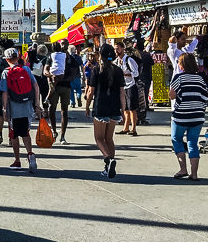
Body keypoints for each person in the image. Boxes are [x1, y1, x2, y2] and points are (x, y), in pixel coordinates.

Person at [85, 43, 126, 179]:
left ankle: (108, 159)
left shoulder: (97, 70)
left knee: (99, 138)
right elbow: (122, 93)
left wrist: (87, 106)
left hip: (101, 106)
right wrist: (123, 110)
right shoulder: (118, 71)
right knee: (109, 138)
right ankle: (108, 167)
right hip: (114, 107)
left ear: (100, 56)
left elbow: (91, 91)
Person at [0, 47, 43, 172]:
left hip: (14, 107)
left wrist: (4, 108)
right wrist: (37, 104)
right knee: (25, 132)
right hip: (27, 105)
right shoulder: (26, 69)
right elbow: (35, 86)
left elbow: (5, 93)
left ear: (7, 59)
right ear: (18, 57)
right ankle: (30, 154)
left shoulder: (6, 72)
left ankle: (17, 160)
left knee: (13, 134)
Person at [169, 53, 208, 180]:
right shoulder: (200, 79)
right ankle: (194, 174)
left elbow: (171, 95)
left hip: (181, 116)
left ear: (182, 65)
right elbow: (205, 97)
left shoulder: (179, 78)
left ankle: (183, 169)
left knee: (176, 139)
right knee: (193, 142)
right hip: (198, 116)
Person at [45, 39, 77, 144]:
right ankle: (54, 131)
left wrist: (61, 78)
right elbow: (45, 70)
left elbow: (73, 74)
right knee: (52, 109)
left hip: (65, 87)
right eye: (62, 44)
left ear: (68, 46)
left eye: (65, 44)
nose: (63, 46)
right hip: (54, 86)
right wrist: (52, 76)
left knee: (64, 111)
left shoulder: (70, 59)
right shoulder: (52, 56)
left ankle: (63, 135)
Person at [115, 40, 140, 136]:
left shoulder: (129, 60)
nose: (116, 51)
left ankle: (133, 129)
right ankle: (126, 127)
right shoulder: (117, 61)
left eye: (118, 49)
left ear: (123, 49)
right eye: (115, 49)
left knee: (132, 108)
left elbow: (136, 73)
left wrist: (125, 74)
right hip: (122, 87)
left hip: (130, 86)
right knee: (125, 108)